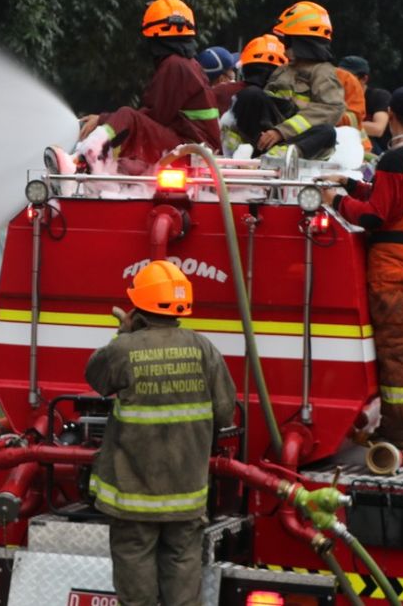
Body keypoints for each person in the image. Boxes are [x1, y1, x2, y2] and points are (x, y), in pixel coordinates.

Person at [85, 260, 236, 606]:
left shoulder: (124, 349)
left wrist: (124, 332)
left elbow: (96, 377)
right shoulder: (203, 349)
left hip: (133, 499)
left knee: (136, 592)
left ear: (139, 305)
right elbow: (224, 412)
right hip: (186, 498)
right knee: (183, 587)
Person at [320, 87, 403, 449]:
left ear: (391, 114)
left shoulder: (392, 160)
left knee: (396, 350)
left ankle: (398, 434)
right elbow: (393, 197)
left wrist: (337, 200)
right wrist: (352, 183)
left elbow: (374, 214)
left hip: (392, 266)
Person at [71, 0, 220, 172]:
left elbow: (151, 117)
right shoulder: (187, 64)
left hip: (191, 152)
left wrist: (102, 120)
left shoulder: (174, 65)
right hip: (195, 152)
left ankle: (80, 159)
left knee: (127, 115)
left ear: (155, 36)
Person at [229, 1, 345, 158]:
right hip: (269, 140)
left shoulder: (322, 72)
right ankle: (238, 151)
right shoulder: (283, 70)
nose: (283, 45)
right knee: (251, 95)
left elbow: (331, 109)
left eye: (288, 39)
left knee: (327, 132)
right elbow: (265, 107)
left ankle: (281, 156)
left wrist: (281, 131)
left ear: (300, 41)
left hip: (300, 143)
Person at [216, 35, 288, 152]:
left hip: (223, 161)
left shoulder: (221, 91)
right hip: (267, 161)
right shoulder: (285, 100)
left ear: (245, 67)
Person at [340, 55, 392, 152]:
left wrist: (339, 123)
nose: (344, 80)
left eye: (349, 77)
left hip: (378, 151)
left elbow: (378, 129)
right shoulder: (337, 97)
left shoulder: (379, 96)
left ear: (364, 79)